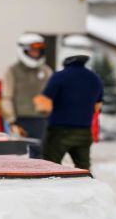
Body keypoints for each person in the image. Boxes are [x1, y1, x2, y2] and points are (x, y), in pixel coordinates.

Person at [35, 35, 103, 170]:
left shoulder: (59, 77)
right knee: (83, 168)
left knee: (50, 167)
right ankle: (87, 184)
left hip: (59, 131)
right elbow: (97, 107)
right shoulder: (95, 78)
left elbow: (44, 105)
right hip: (84, 131)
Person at [0, 33, 53, 158]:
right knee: (20, 156)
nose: (36, 53)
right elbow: (7, 97)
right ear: (23, 50)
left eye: (38, 51)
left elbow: (52, 97)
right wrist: (11, 121)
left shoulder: (46, 71)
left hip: (42, 121)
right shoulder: (12, 70)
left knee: (41, 155)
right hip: (21, 121)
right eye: (32, 50)